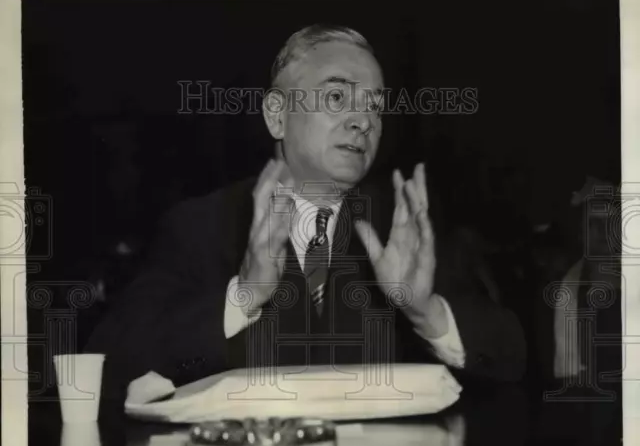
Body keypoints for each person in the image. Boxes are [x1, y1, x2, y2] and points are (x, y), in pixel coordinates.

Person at [85, 24, 526, 404]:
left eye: (375, 105)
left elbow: (512, 356)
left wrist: (425, 313)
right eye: (337, 96)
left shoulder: (401, 227)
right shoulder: (202, 225)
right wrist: (243, 297)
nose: (363, 121)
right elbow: (106, 364)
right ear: (277, 117)